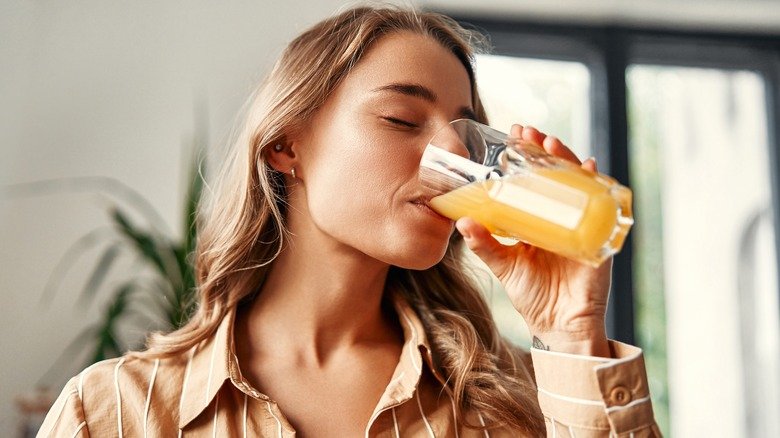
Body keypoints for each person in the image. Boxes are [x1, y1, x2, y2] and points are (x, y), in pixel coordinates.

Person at [38, 5, 660, 437]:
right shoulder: (113, 413)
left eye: (466, 133)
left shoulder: (517, 405)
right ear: (287, 145)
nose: (453, 158)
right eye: (401, 119)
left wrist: (574, 332)